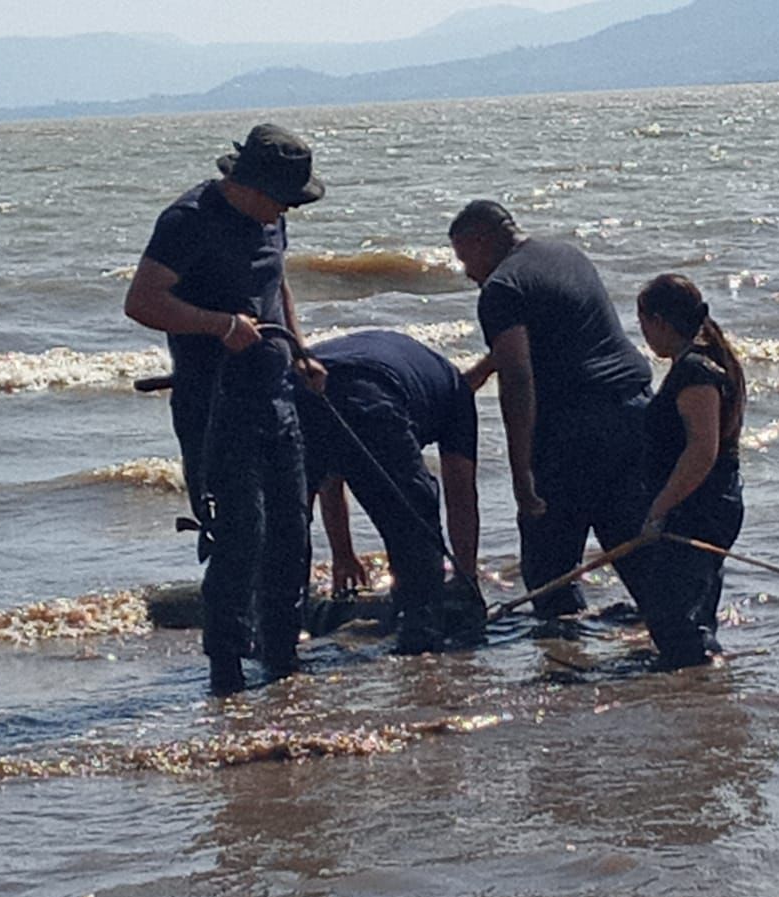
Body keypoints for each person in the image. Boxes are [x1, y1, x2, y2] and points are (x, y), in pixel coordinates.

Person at [123, 123, 327, 696]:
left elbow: (277, 283)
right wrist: (218, 326)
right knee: (240, 536)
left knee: (292, 530)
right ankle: (227, 673)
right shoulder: (187, 221)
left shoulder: (272, 217)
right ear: (249, 184)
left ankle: (283, 661)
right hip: (214, 403)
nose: (286, 211)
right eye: (282, 200)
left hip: (275, 393)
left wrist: (301, 350)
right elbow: (141, 301)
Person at [448, 200, 654, 620]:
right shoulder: (565, 255)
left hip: (573, 431)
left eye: (465, 257)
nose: (468, 272)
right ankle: (679, 650)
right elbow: (553, 331)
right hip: (634, 412)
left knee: (547, 567)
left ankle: (565, 665)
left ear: (482, 240)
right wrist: (474, 375)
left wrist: (521, 472)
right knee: (636, 547)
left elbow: (519, 379)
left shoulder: (501, 288)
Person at [296, 330, 483, 654]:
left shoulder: (430, 378)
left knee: (289, 522)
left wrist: (343, 554)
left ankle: (280, 636)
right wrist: (467, 578)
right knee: (414, 523)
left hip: (306, 382)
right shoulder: (457, 395)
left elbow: (330, 472)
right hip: (373, 392)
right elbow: (461, 495)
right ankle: (421, 635)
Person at [636, 273, 747, 668]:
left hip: (698, 509)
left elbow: (702, 451)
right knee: (687, 609)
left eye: (644, 324)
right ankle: (701, 674)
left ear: (660, 322)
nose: (645, 335)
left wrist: (659, 509)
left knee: (674, 618)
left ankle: (700, 682)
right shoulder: (698, 364)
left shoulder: (697, 372)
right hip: (703, 505)